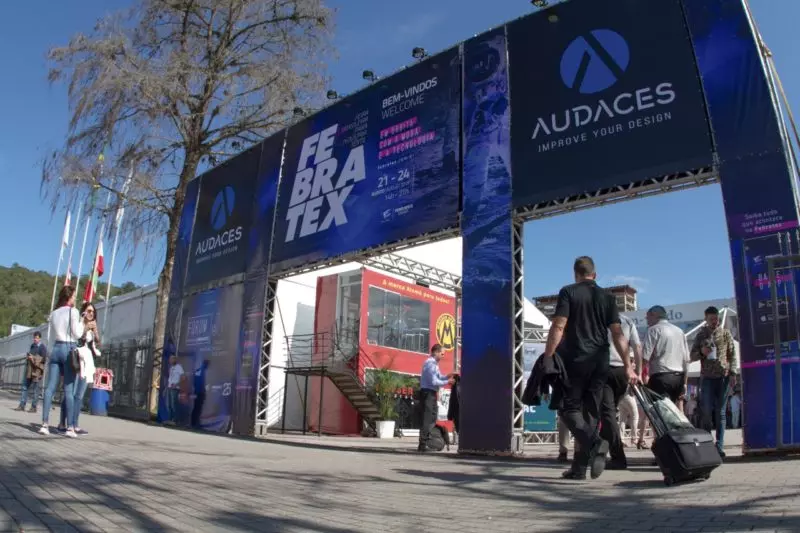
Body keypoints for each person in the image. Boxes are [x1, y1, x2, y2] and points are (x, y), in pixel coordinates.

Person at [542, 256, 636, 480]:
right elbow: (617, 333)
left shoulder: (568, 292)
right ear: (595, 274)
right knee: (591, 414)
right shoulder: (607, 297)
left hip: (576, 360)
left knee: (567, 409)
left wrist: (548, 356)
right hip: (601, 361)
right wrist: (628, 365)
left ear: (575, 274)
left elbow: (559, 325)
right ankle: (578, 468)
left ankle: (595, 443)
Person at [691, 306, 738, 456]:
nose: (714, 321)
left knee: (721, 412)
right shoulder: (700, 335)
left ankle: (719, 446)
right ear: (705, 319)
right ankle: (707, 445)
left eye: (716, 318)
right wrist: (701, 353)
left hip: (722, 377)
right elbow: (692, 356)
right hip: (707, 378)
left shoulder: (725, 333)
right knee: (706, 412)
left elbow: (732, 354)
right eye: (711, 319)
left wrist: (733, 373)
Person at [39, 285, 83, 437]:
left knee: (50, 388)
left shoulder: (54, 313)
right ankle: (70, 427)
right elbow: (77, 333)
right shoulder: (74, 311)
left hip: (56, 348)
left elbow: (50, 336)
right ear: (70, 296)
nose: (75, 298)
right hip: (68, 347)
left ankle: (44, 424)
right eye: (74, 295)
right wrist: (82, 322)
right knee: (68, 390)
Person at [602, 313, 643, 470]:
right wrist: (638, 372)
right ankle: (603, 451)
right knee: (609, 413)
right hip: (623, 372)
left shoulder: (600, 316)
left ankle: (617, 457)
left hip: (605, 368)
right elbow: (637, 346)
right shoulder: (628, 320)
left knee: (608, 414)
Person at [57, 302, 100, 435]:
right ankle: (63, 422)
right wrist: (86, 328)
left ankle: (75, 423)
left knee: (79, 395)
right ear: (83, 312)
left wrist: (95, 331)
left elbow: (98, 342)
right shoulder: (79, 325)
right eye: (88, 311)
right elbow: (77, 341)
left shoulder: (92, 327)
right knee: (70, 393)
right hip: (76, 360)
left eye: (93, 312)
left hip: (86, 362)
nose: (91, 313)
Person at [642, 306, 689, 404]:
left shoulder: (653, 330)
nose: (647, 320)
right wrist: (684, 383)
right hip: (678, 377)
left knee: (660, 412)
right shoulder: (679, 331)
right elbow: (686, 360)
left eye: (648, 317)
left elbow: (645, 357)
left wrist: (638, 374)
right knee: (672, 412)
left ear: (654, 315)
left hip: (661, 377)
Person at [418, 344, 455, 452]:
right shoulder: (430, 364)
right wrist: (447, 382)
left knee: (433, 418)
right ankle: (422, 445)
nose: (443, 356)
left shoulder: (435, 364)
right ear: (436, 352)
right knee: (428, 419)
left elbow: (439, 377)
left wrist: (447, 376)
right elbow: (434, 381)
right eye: (442, 354)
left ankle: (427, 441)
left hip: (432, 393)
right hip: (428, 393)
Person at [15, 331, 48, 413]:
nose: (35, 339)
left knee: (36, 390)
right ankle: (22, 405)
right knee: (24, 387)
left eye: (37, 338)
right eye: (34, 338)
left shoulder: (42, 347)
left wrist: (33, 358)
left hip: (37, 371)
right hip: (29, 370)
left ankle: (33, 407)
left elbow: (44, 359)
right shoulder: (32, 346)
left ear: (40, 338)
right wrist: (28, 357)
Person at [167, 355, 185, 424]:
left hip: (175, 389)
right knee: (169, 405)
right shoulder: (171, 368)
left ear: (175, 360)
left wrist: (176, 384)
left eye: (171, 359)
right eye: (169, 359)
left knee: (173, 404)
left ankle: (175, 420)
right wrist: (167, 387)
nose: (170, 361)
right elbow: (170, 378)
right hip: (169, 388)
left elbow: (183, 378)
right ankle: (170, 419)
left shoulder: (179, 367)